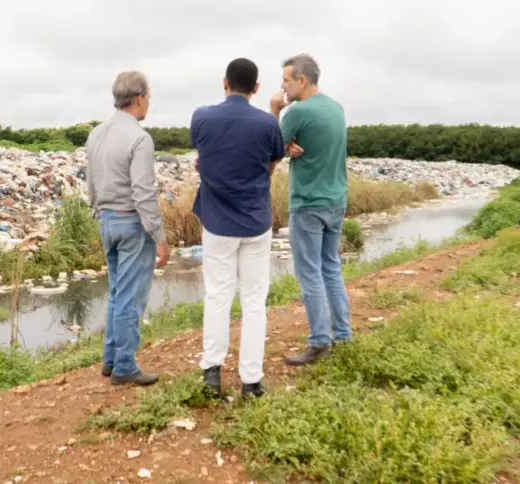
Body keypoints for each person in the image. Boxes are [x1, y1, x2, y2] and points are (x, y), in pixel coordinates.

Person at [191, 58, 285, 398]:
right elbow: (271, 165)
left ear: (224, 82)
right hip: (256, 222)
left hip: (217, 223)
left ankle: (212, 373)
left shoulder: (202, 116)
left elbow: (204, 155)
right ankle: (251, 381)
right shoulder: (267, 124)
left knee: (218, 296)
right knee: (254, 301)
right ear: (256, 88)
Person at [85, 71, 171, 386]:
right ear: (138, 98)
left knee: (118, 293)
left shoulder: (96, 134)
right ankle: (124, 366)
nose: (149, 103)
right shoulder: (139, 138)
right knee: (130, 298)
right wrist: (160, 238)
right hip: (132, 222)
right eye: (148, 97)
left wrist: (99, 210)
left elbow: (90, 181)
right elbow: (144, 193)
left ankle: (110, 359)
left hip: (106, 219)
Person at [269, 54, 351, 366]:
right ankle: (342, 333)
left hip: (308, 203)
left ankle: (319, 342)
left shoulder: (297, 111)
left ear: (301, 81)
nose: (283, 86)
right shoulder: (335, 107)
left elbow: (270, 148)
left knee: (309, 273)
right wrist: (290, 147)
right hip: (336, 200)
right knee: (331, 267)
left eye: (286, 80)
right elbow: (312, 144)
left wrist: (275, 112)